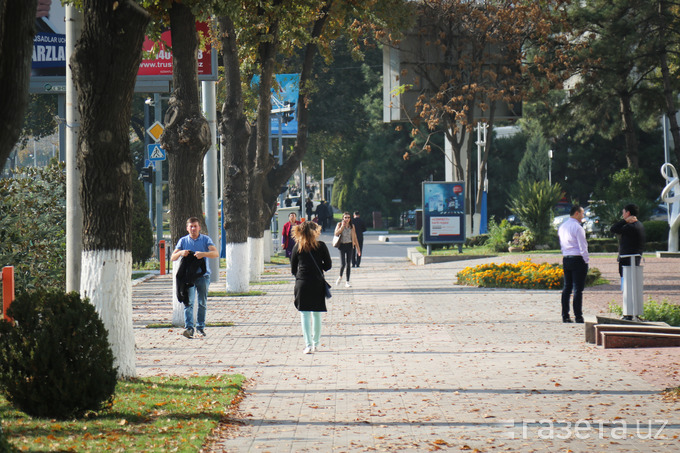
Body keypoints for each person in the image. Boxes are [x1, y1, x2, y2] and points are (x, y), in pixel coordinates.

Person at [171, 217, 219, 338]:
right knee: (189, 302)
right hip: (188, 278)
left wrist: (203, 254)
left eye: (195, 226)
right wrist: (181, 253)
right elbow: (173, 257)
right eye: (191, 226)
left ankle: (200, 328)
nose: (193, 229)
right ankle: (189, 329)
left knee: (202, 303)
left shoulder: (205, 240)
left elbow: (215, 253)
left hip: (203, 276)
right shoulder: (183, 241)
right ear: (187, 228)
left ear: (199, 227)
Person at [290, 221, 332, 354]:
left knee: (305, 314)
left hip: (302, 282)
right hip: (317, 282)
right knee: (316, 314)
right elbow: (328, 265)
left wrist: (301, 275)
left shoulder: (298, 247)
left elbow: (293, 268)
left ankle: (308, 345)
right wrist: (319, 268)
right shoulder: (321, 246)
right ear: (315, 232)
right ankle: (316, 343)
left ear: (300, 232)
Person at [610, 203, 646, 320]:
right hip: (634, 260)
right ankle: (631, 312)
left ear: (628, 213)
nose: (622, 214)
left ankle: (629, 313)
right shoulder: (639, 225)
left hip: (627, 261)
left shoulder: (630, 227)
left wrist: (624, 221)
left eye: (623, 212)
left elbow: (613, 229)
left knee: (626, 286)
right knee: (629, 286)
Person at [557, 205, 589, 323]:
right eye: (582, 213)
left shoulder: (562, 227)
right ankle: (578, 316)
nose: (583, 216)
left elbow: (562, 244)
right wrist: (586, 260)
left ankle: (565, 315)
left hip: (566, 258)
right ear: (576, 213)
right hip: (577, 258)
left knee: (567, 287)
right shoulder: (578, 227)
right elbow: (583, 246)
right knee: (577, 289)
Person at [334, 212, 361, 287]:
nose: (347, 219)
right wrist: (342, 227)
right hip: (342, 245)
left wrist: (358, 249)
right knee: (343, 264)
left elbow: (355, 238)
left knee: (349, 264)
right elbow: (336, 233)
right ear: (343, 218)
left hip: (349, 245)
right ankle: (340, 276)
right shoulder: (339, 224)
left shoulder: (352, 226)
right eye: (345, 217)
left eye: (348, 217)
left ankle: (347, 281)